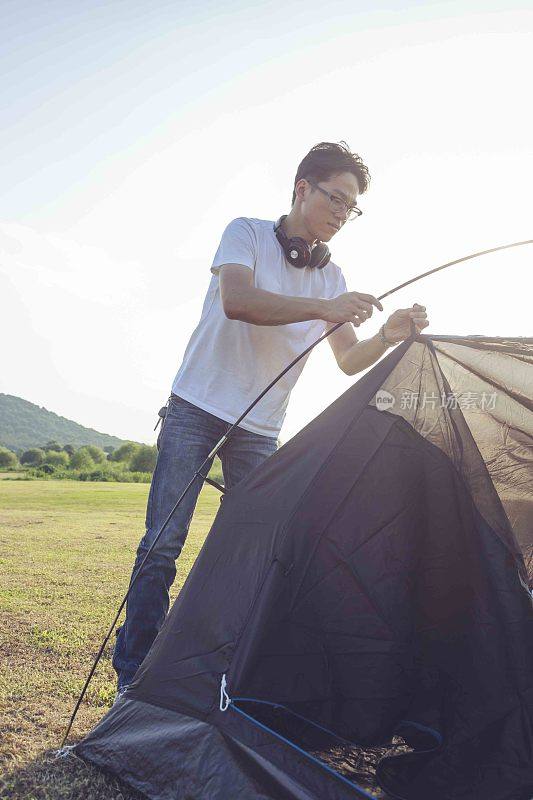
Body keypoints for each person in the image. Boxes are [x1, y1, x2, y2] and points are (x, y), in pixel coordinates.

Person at [113, 141, 429, 692]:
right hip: (197, 409)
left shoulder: (331, 276)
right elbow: (239, 301)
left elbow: (350, 360)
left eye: (350, 209)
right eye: (335, 198)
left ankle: (214, 672)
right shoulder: (246, 233)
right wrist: (323, 308)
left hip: (259, 432)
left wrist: (387, 335)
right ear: (302, 188)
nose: (340, 215)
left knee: (256, 555)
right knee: (162, 546)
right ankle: (132, 677)